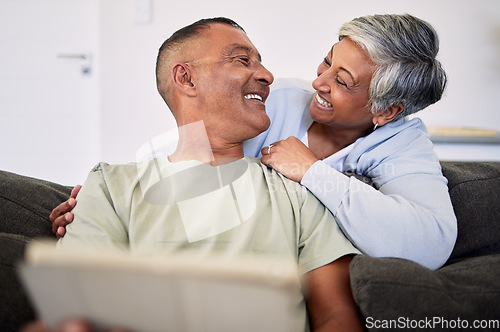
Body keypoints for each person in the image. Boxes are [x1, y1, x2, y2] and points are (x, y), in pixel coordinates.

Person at [50, 14, 457, 270]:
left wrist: (313, 173)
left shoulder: (402, 143)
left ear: (386, 112)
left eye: (342, 81)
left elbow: (430, 244)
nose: (319, 81)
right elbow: (175, 152)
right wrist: (99, 205)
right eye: (328, 60)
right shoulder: (275, 102)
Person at [39, 18, 363, 332]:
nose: (266, 75)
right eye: (242, 60)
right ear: (187, 79)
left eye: (260, 63)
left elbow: (337, 316)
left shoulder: (299, 192)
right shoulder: (111, 186)